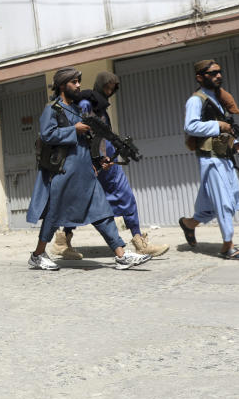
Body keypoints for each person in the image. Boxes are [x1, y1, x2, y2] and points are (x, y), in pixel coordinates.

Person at [25, 67, 151, 271]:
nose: (78, 85)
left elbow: (87, 142)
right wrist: (73, 129)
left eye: (78, 81)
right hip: (63, 173)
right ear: (62, 85)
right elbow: (48, 135)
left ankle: (120, 254)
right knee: (53, 215)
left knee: (102, 212)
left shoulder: (77, 110)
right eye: (73, 82)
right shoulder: (53, 109)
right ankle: (38, 255)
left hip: (85, 172)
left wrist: (100, 161)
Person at [51, 71, 168, 260]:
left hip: (108, 161)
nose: (110, 92)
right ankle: (63, 241)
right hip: (91, 161)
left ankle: (139, 241)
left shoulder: (102, 108)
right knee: (80, 203)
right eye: (107, 87)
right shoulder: (86, 103)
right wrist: (95, 158)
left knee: (126, 197)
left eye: (113, 89)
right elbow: (85, 132)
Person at [178, 60, 239, 259]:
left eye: (219, 72)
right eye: (212, 73)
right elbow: (191, 127)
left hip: (224, 156)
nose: (218, 76)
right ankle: (228, 246)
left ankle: (188, 224)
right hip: (210, 159)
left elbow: (226, 128)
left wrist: (236, 144)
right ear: (200, 77)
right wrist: (218, 125)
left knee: (214, 204)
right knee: (224, 202)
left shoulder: (218, 98)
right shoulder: (196, 100)